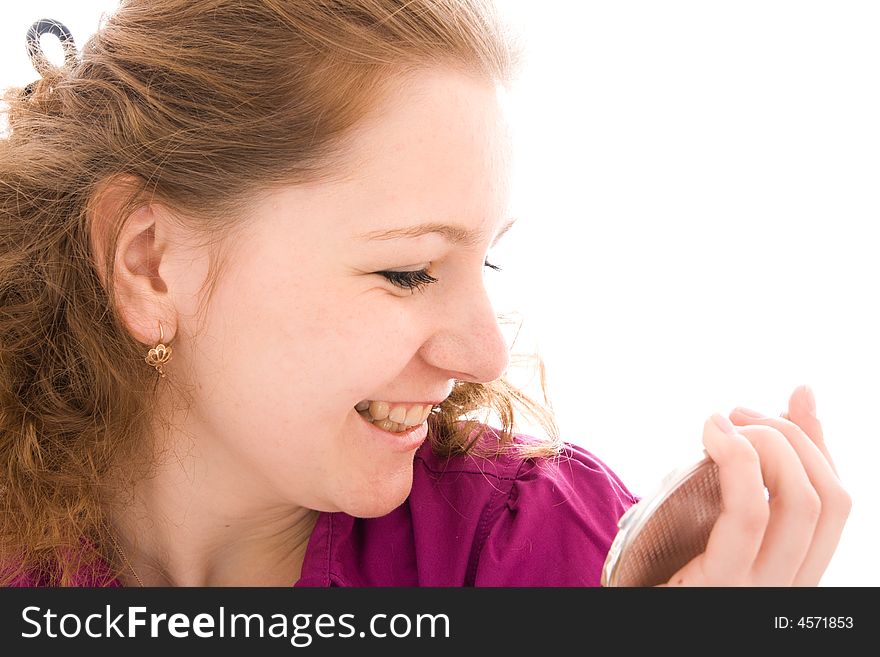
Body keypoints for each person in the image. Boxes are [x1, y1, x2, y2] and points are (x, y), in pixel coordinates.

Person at [0, 1, 849, 588]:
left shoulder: (552, 554)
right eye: (408, 271)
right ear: (152, 263)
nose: (483, 353)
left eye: (486, 264)